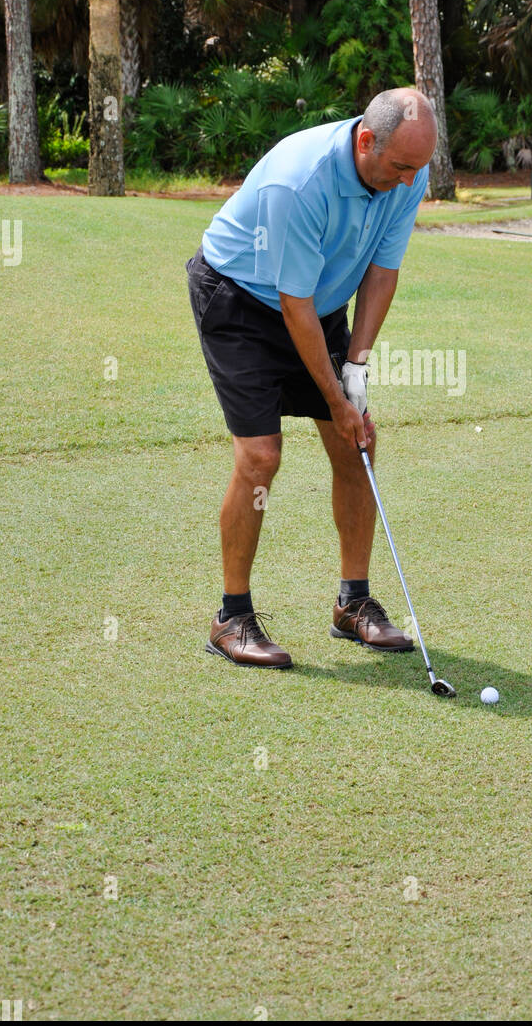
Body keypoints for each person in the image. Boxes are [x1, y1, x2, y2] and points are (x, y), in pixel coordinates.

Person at [186, 86, 437, 669]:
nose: (409, 183)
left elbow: (381, 271)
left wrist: (357, 369)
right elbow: (290, 301)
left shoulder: (406, 170)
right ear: (367, 141)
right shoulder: (299, 182)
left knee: (357, 447)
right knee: (260, 457)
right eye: (401, 167)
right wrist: (334, 396)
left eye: (417, 170)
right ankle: (231, 617)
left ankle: (353, 605)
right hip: (241, 301)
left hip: (316, 306)